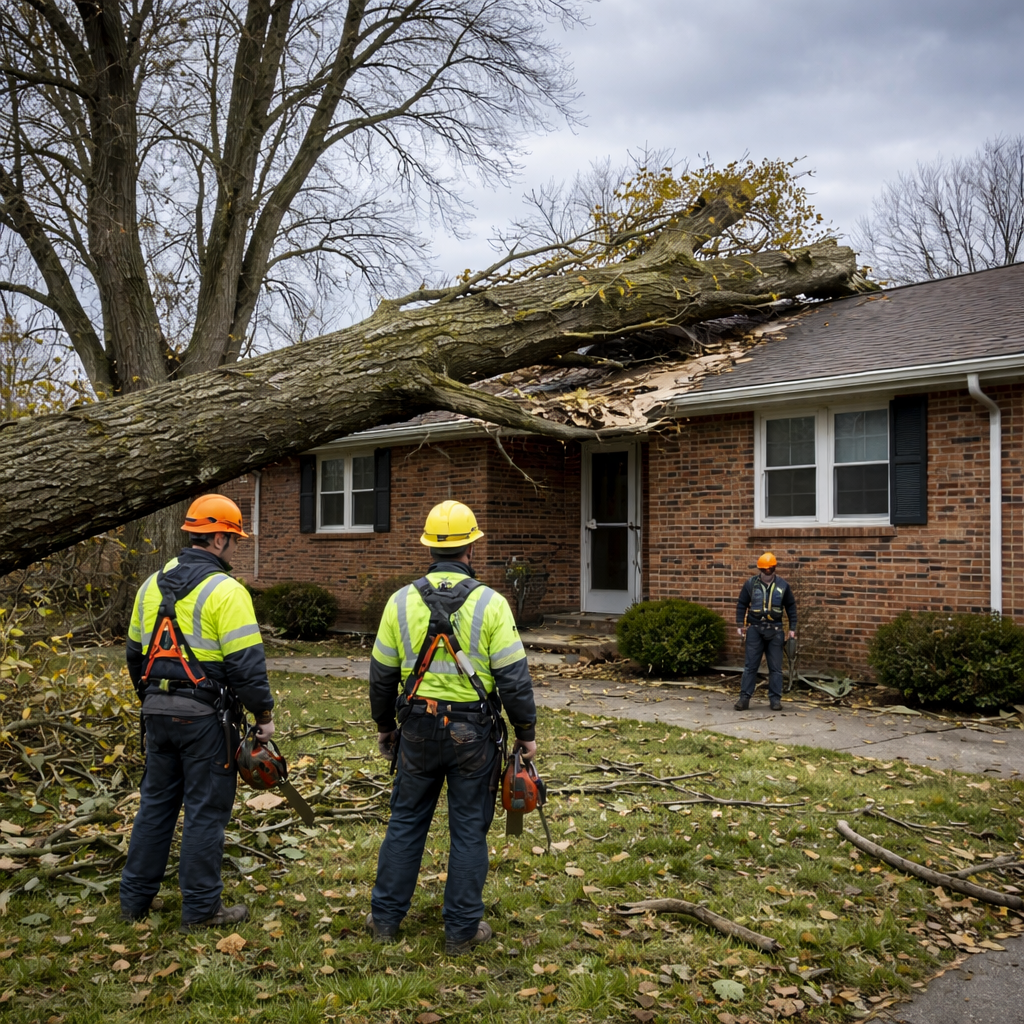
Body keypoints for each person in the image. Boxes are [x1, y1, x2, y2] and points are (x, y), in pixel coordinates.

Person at [367, 500, 537, 954]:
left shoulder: (400, 601)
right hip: (473, 737)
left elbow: (382, 676)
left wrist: (385, 727)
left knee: (405, 822)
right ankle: (461, 930)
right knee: (467, 829)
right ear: (471, 547)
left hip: (417, 730)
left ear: (429, 548)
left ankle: (384, 919)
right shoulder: (491, 603)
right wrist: (526, 733)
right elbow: (514, 679)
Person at [120, 494, 275, 932]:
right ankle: (202, 909)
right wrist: (263, 717)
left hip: (156, 711)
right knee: (206, 811)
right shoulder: (227, 591)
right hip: (205, 719)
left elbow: (134, 655)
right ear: (221, 537)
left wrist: (150, 700)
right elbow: (246, 666)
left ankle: (134, 900)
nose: (236, 547)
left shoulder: (150, 585)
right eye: (235, 539)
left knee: (155, 805)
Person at [734, 552, 797, 712]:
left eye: (769, 568)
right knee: (750, 666)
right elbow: (742, 604)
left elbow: (791, 607)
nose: (767, 571)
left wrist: (792, 629)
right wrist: (740, 624)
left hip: (775, 629)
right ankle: (744, 698)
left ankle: (775, 700)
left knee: (775, 668)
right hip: (755, 628)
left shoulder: (783, 586)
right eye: (764, 569)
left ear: (774, 568)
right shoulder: (750, 584)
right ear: (760, 569)